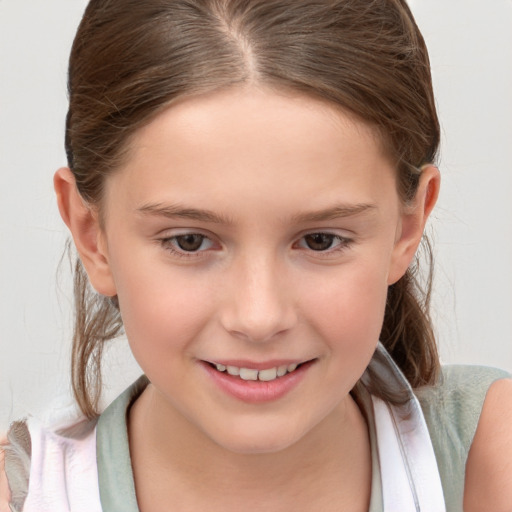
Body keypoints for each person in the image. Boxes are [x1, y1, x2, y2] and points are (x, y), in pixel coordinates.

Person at [1, 0, 511, 510]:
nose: (259, 317)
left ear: (408, 225)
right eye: (189, 241)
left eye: (320, 240)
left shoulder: (491, 456)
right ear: (94, 236)